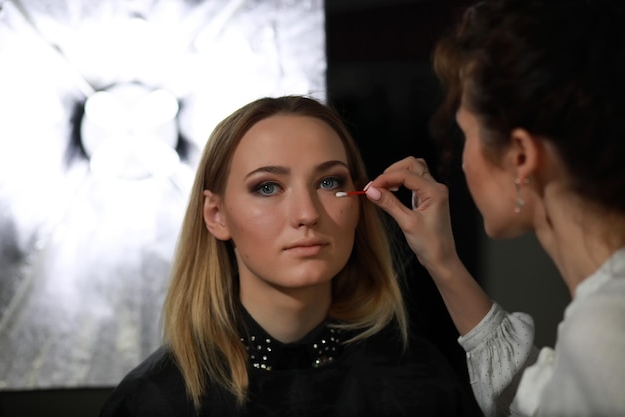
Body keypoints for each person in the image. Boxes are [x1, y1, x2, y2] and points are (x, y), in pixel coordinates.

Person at [99, 95, 481, 416]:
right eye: (267, 187)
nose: (307, 214)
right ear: (216, 216)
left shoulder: (420, 381)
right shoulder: (153, 401)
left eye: (329, 182)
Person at [363, 0, 625, 416]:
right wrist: (442, 259)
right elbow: (538, 397)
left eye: (467, 135)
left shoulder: (605, 333)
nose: (463, 161)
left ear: (520, 155)